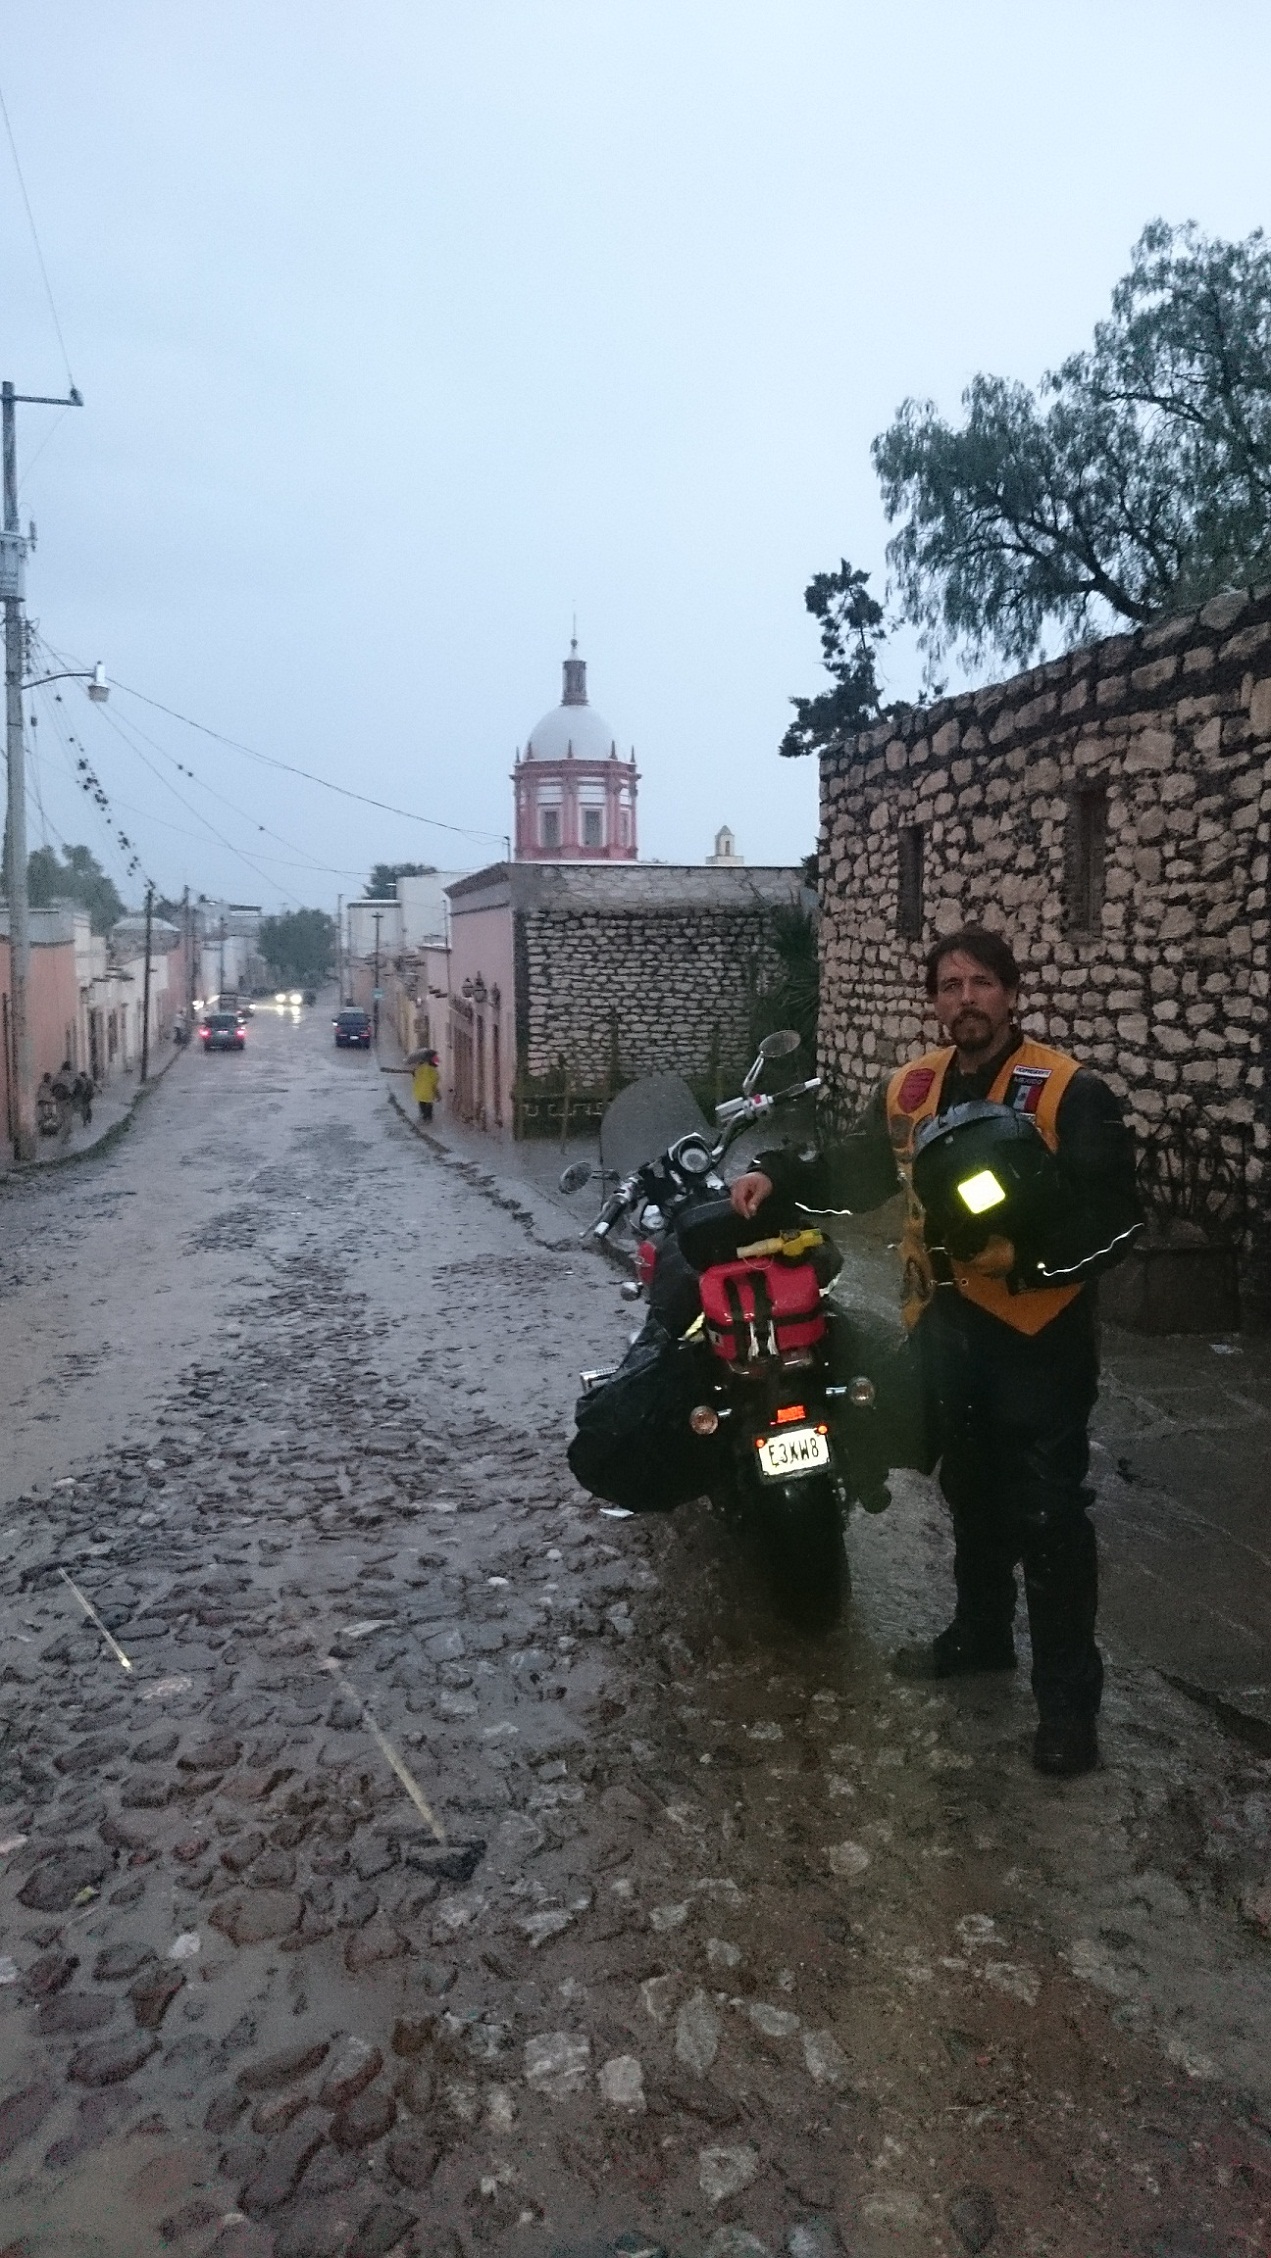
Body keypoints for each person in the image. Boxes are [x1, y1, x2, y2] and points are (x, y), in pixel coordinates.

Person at [730, 926, 1142, 1778]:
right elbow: (855, 1170)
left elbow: (1112, 1214)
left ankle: (1068, 1708)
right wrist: (775, 1173)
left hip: (1038, 1337)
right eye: (949, 985)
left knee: (1049, 1515)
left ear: (1010, 994)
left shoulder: (1067, 1090)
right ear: (934, 1002)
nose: (965, 999)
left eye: (980, 982)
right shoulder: (910, 1087)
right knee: (972, 1491)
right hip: (943, 1330)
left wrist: (1023, 1263)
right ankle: (980, 1636)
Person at [412, 1050, 440, 1122]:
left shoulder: (419, 1067)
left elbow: (415, 1077)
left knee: (422, 1104)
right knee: (429, 1106)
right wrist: (437, 1094)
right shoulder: (432, 1069)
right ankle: (428, 1119)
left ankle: (423, 1117)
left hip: (419, 1090)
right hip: (429, 1091)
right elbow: (435, 1081)